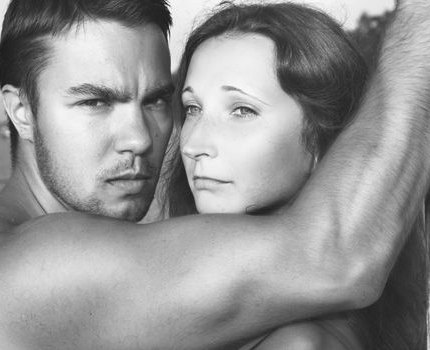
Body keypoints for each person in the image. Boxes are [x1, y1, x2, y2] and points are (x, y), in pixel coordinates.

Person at [0, 0, 430, 349]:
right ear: (22, 112)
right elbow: (335, 255)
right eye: (95, 101)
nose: (140, 137)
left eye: (158, 100)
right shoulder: (26, 266)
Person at [165, 3, 428, 349]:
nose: (194, 144)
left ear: (322, 139)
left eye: (242, 110)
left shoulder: (299, 342)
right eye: (193, 109)